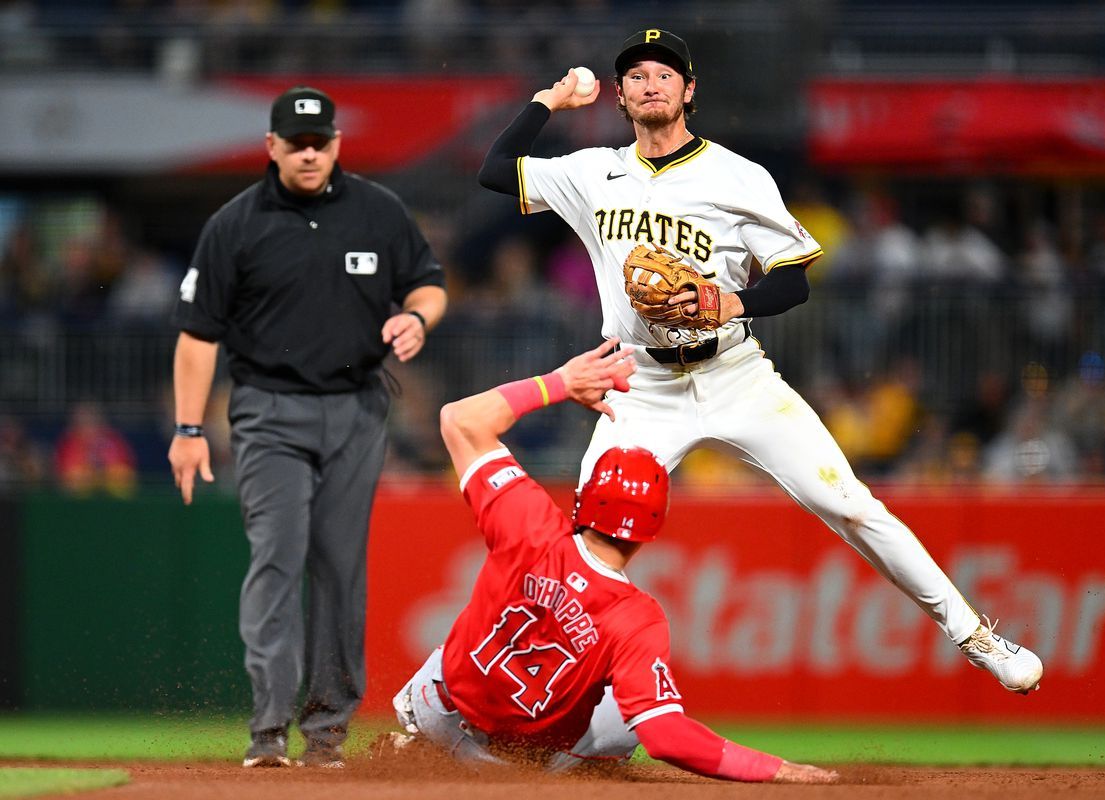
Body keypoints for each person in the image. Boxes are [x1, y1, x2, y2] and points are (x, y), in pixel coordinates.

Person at [477, 29, 1042, 694]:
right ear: (623, 96)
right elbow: (495, 170)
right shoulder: (591, 172)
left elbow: (794, 279)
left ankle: (976, 637)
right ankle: (531, 693)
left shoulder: (738, 177)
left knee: (852, 506)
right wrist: (548, 100)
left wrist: (728, 301)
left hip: (734, 374)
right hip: (640, 385)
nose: (650, 82)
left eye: (665, 73)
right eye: (636, 76)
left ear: (690, 90)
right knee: (588, 548)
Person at [392, 340, 838, 784]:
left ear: (584, 500)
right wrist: (778, 769)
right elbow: (665, 735)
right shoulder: (637, 618)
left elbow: (460, 420)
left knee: (462, 641)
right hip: (515, 766)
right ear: (652, 528)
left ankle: (425, 741)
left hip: (441, 714)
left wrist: (560, 384)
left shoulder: (529, 522)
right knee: (630, 715)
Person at [168, 85, 448, 769]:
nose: (310, 152)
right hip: (269, 410)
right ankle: (268, 731)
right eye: (296, 142)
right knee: (277, 557)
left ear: (337, 143)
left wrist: (417, 317)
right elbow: (197, 337)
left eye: (320, 139)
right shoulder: (235, 224)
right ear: (271, 147)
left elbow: (430, 284)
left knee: (338, 570)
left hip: (356, 409)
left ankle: (326, 733)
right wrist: (188, 429)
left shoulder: (378, 211)